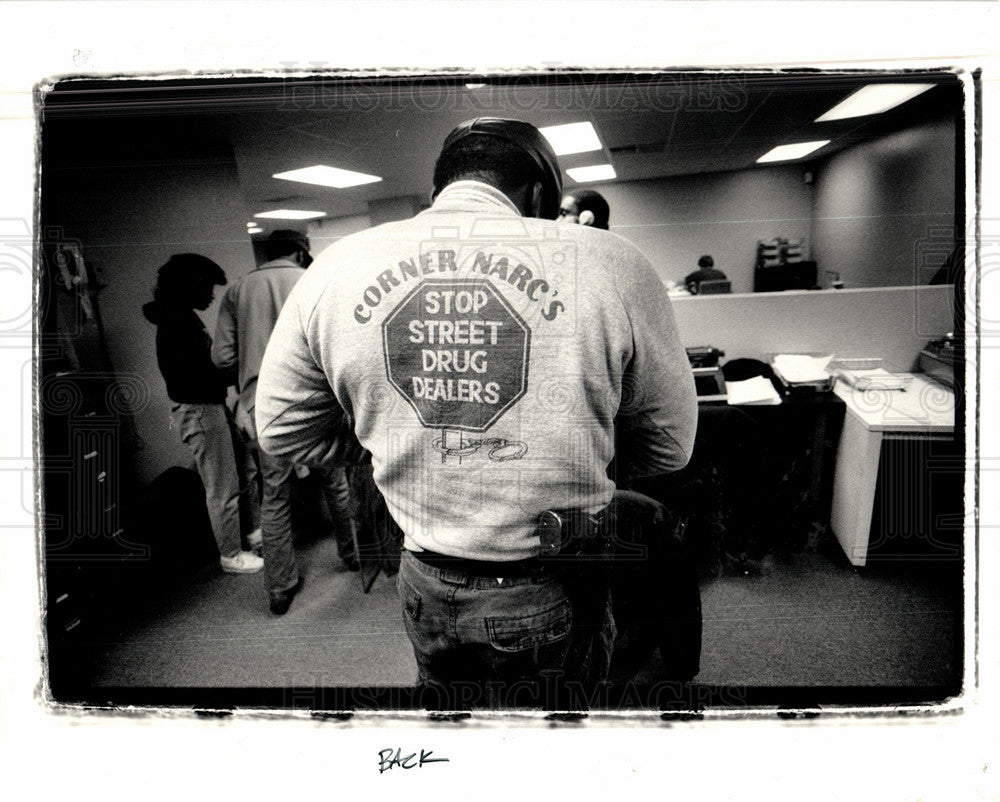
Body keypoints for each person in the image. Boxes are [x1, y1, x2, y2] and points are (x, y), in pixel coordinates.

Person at [255, 117, 697, 706]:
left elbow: (280, 428)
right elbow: (670, 446)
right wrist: (572, 448)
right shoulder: (611, 262)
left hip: (423, 580)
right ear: (540, 194)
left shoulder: (335, 267)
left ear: (444, 185)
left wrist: (394, 445)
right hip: (552, 578)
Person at [212, 230, 359, 615]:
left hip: (264, 401)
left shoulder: (237, 291)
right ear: (300, 252)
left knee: (274, 496)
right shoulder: (313, 278)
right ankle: (353, 554)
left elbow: (222, 358)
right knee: (336, 481)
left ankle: (280, 587)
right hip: (315, 394)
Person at [142, 254, 264, 575]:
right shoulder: (175, 325)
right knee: (222, 487)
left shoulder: (183, 318)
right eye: (207, 287)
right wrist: (233, 369)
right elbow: (197, 377)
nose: (212, 295)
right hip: (200, 410)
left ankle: (254, 533)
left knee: (246, 470)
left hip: (211, 406)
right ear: (188, 286)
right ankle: (231, 554)